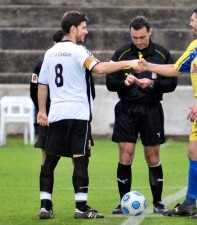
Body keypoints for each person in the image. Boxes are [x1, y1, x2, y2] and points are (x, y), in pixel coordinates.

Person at [37, 11, 140, 220]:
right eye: (83, 27)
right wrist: (127, 63)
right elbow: (100, 68)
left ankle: (45, 207)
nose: (86, 31)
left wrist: (41, 111)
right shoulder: (78, 50)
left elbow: (42, 84)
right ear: (73, 29)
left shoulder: (50, 52)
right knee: (81, 160)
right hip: (77, 114)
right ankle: (81, 207)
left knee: (49, 161)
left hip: (56, 114)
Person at [138, 6, 197, 220]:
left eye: (192, 20)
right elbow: (174, 69)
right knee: (194, 153)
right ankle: (189, 204)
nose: (189, 23)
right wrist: (147, 65)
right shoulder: (196, 45)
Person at [106, 16, 178, 214]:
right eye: (135, 37)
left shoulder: (161, 54)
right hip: (126, 109)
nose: (138, 41)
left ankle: (158, 202)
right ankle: (123, 202)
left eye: (142, 37)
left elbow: (172, 83)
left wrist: (153, 84)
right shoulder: (121, 54)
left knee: (152, 156)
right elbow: (110, 82)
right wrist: (124, 83)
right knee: (125, 155)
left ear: (150, 32)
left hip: (151, 109)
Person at [30, 29, 64, 167]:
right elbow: (34, 90)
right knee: (46, 152)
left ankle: (80, 188)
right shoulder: (41, 65)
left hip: (70, 112)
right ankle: (44, 187)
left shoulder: (75, 62)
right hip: (49, 114)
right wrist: (42, 110)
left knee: (78, 153)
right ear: (53, 43)